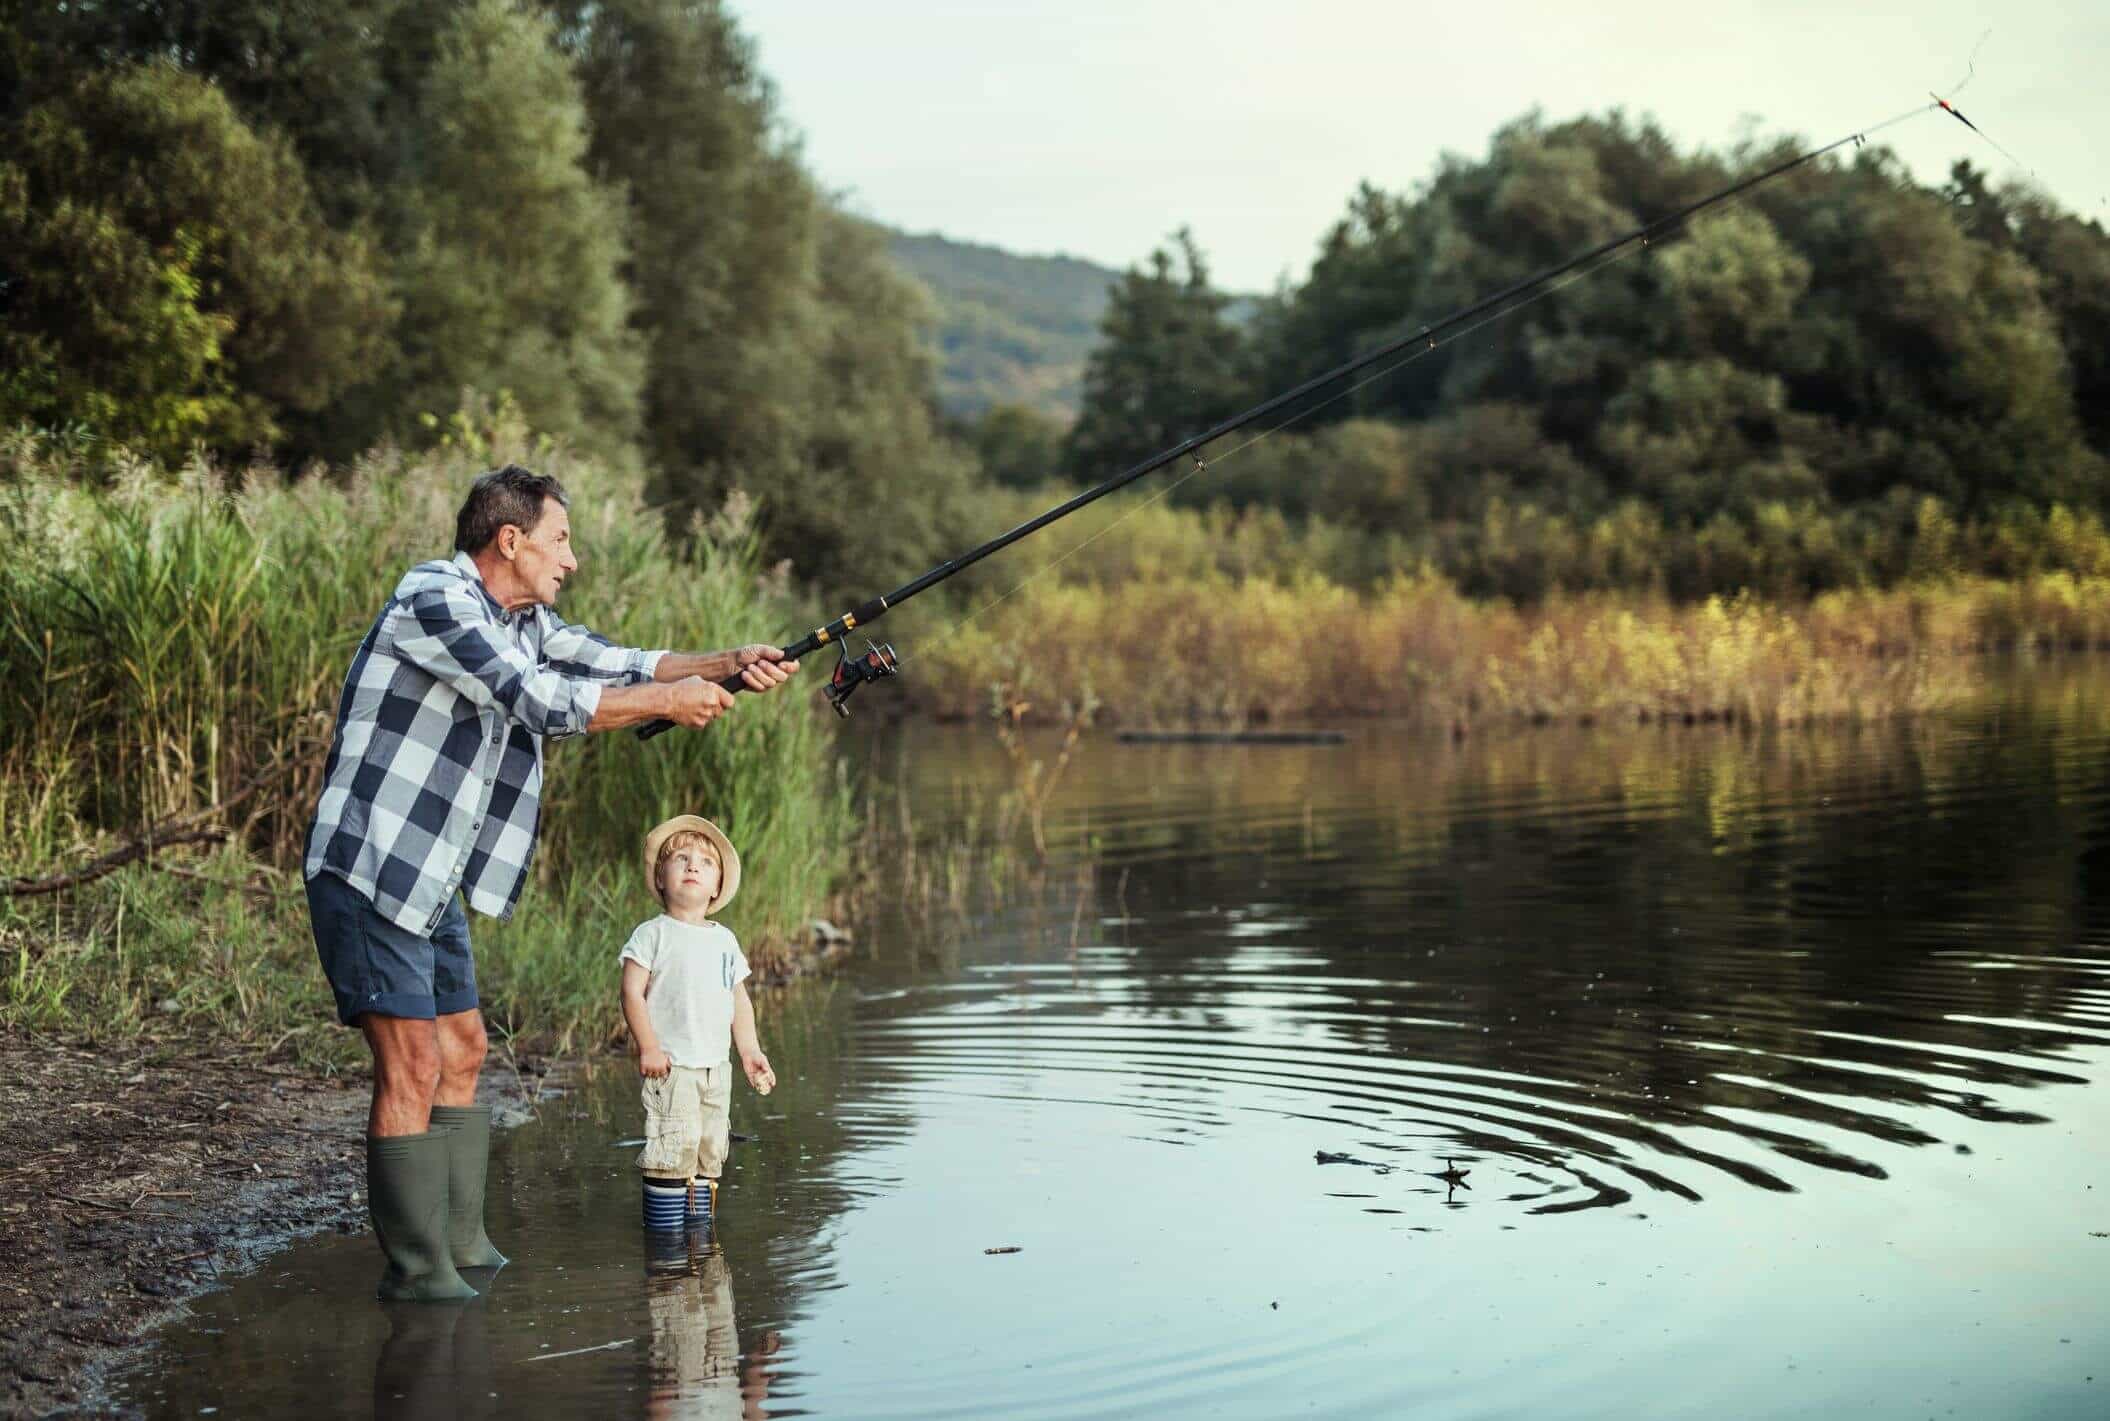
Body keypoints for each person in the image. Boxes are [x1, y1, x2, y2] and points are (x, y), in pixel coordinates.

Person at [303, 463, 798, 1302]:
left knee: (464, 1048)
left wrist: (722, 665)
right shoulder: (437, 598)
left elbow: (617, 659)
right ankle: (419, 1274)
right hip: (370, 866)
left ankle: (462, 1245)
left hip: (434, 877)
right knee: (412, 1063)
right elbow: (532, 697)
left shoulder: (523, 619)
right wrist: (666, 702)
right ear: (510, 539)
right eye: (559, 540)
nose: (570, 558)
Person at [622, 814, 777, 1232]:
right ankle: (667, 1248)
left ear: (716, 888)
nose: (693, 866)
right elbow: (631, 992)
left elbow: (737, 1000)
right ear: (660, 878)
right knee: (671, 1152)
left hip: (715, 1070)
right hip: (672, 1068)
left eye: (706, 863)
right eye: (681, 859)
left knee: (710, 1151)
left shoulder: (724, 940)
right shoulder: (653, 934)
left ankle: (699, 1237)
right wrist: (649, 1046)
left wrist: (749, 1050)